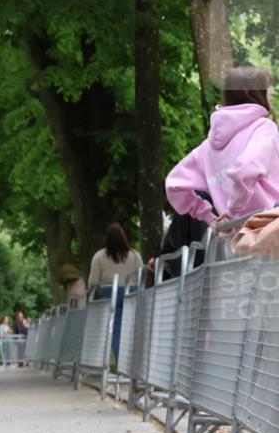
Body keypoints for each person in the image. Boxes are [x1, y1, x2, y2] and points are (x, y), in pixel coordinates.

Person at [165, 66, 277, 228]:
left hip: (236, 240)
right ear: (252, 93)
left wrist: (211, 218)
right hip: (269, 230)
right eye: (267, 87)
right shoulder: (263, 128)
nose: (272, 92)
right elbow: (246, 170)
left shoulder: (208, 148)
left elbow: (173, 184)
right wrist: (234, 209)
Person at [89, 223, 144, 361]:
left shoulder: (99, 256)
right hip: (131, 292)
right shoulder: (135, 256)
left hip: (109, 293)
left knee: (116, 328)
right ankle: (134, 362)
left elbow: (92, 282)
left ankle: (121, 361)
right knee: (131, 328)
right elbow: (141, 276)